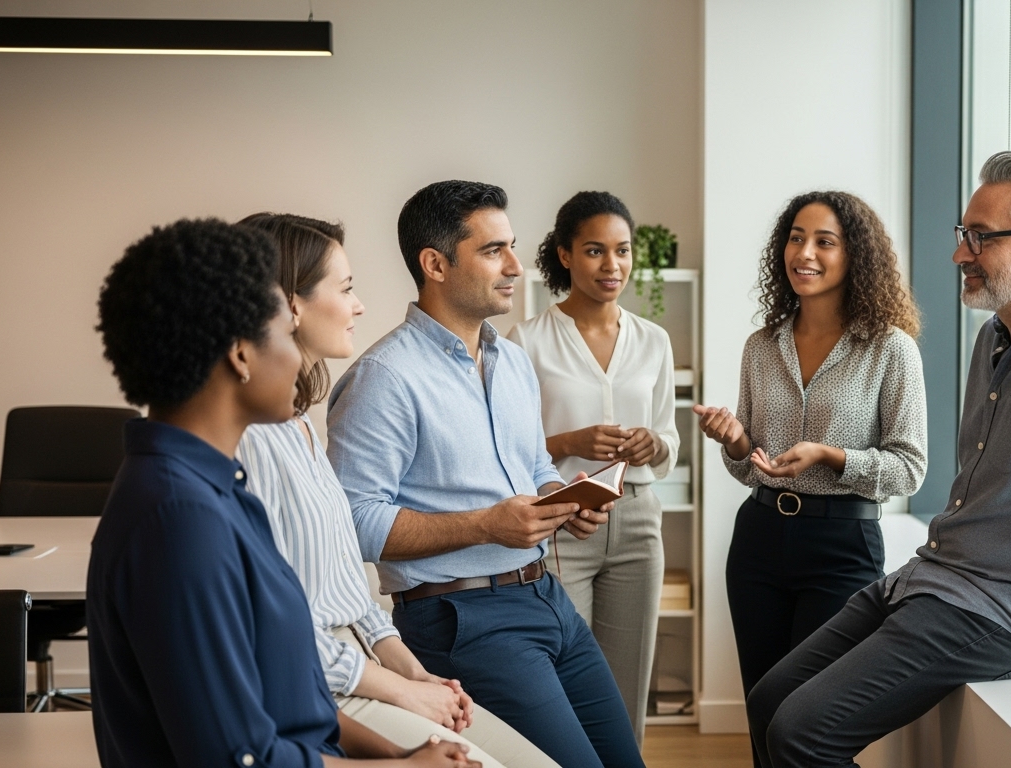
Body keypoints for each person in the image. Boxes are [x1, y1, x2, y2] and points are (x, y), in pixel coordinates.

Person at [744, 151, 1011, 767]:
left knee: (800, 732)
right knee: (768, 701)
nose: (959, 253)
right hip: (936, 579)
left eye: (981, 237)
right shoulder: (994, 338)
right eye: (963, 233)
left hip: (1006, 613)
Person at [88, 218, 473, 767]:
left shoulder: (219, 489)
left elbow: (297, 704)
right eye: (284, 329)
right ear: (241, 353)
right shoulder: (180, 519)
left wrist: (399, 755)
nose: (296, 355)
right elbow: (238, 757)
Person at [326, 181, 645, 768]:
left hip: (548, 597)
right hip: (463, 618)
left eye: (512, 247)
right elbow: (352, 523)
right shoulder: (384, 377)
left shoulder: (511, 361)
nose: (516, 267)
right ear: (435, 264)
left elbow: (535, 465)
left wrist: (562, 499)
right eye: (494, 250)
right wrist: (485, 526)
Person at [233, 214, 557, 768]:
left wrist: (411, 672)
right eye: (346, 289)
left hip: (366, 658)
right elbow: (275, 630)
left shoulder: (298, 424)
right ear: (290, 305)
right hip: (327, 677)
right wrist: (399, 689)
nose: (359, 306)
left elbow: (346, 590)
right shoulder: (253, 440)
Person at [692, 191, 928, 764]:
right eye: (796, 238)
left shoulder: (890, 349)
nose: (805, 253)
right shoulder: (761, 346)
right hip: (758, 540)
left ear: (856, 255)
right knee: (761, 708)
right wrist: (736, 440)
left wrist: (830, 455)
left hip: (841, 548)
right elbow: (748, 462)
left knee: (809, 719)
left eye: (825, 242)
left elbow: (909, 467)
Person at [507, 191, 681, 745]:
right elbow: (508, 449)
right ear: (564, 255)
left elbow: (670, 438)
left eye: (622, 251)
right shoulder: (526, 341)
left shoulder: (654, 341)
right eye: (594, 250)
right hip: (565, 521)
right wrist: (570, 442)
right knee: (566, 679)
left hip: (638, 522)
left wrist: (652, 443)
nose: (612, 265)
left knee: (629, 679)